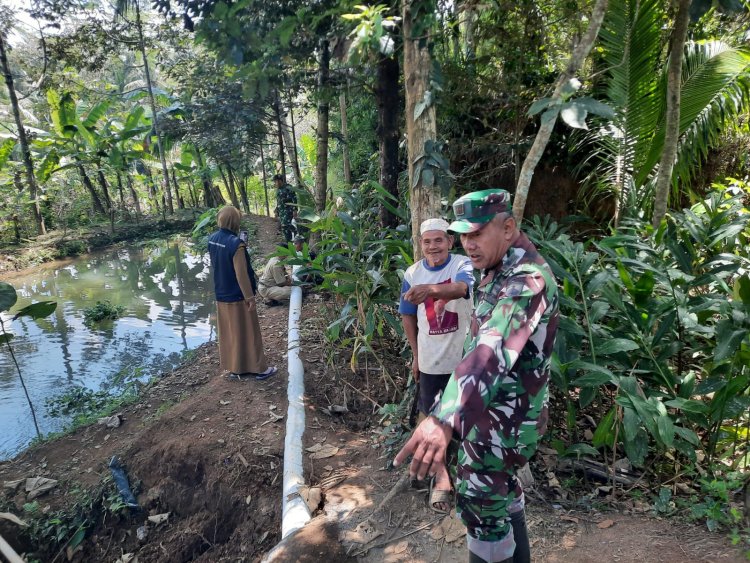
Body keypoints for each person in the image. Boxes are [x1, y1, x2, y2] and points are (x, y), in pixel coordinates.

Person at [394, 189, 559, 563]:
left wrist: (443, 418)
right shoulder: (497, 269)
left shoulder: (525, 281)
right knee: (500, 499)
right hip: (488, 416)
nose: (468, 244)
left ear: (507, 228)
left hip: (504, 424)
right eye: (464, 235)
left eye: (477, 233)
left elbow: (490, 350)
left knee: (482, 508)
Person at [399, 218, 474, 510]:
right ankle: (441, 478)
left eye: (439, 240)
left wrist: (430, 290)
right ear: (421, 244)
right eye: (427, 241)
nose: (433, 246)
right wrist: (417, 355)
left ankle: (474, 476)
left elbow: (461, 289)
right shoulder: (412, 272)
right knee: (430, 416)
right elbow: (408, 315)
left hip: (465, 356)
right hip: (431, 359)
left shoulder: (461, 264)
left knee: (470, 417)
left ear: (449, 242)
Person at [207, 206, 277, 381]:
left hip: (221, 293)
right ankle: (260, 369)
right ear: (235, 221)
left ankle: (235, 367)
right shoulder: (236, 244)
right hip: (238, 295)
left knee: (230, 333)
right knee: (250, 332)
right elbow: (241, 274)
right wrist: (250, 297)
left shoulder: (212, 239)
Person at [274, 174, 297, 243]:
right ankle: (289, 243)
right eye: (275, 181)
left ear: (282, 181)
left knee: (287, 226)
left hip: (288, 211)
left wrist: (295, 210)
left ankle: (293, 241)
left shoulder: (288, 188)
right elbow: (279, 202)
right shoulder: (278, 190)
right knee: (285, 228)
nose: (277, 183)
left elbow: (294, 199)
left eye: (278, 181)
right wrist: (276, 211)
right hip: (282, 212)